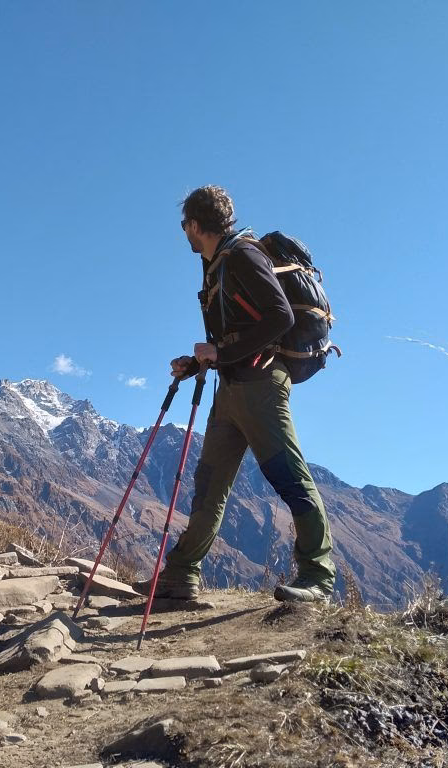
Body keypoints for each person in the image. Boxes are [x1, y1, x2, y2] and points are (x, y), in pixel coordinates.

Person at [135, 185, 336, 603]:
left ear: (194, 224)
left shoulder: (243, 255)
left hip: (262, 387)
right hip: (231, 389)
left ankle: (318, 576)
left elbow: (279, 317)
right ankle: (181, 575)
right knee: (209, 484)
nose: (184, 234)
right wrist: (197, 363)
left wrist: (221, 351)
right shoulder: (216, 265)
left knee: (289, 476)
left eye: (184, 226)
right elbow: (235, 333)